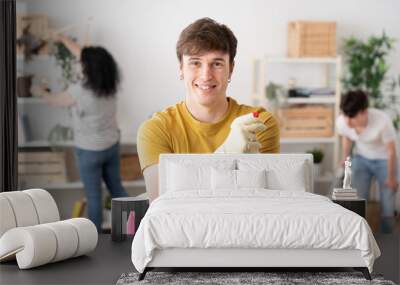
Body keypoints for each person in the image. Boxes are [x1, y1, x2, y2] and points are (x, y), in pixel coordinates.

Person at [137, 18, 280, 203]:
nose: (206, 75)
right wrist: (227, 154)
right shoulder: (156, 130)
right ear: (181, 69)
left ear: (231, 69)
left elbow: (262, 202)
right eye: (195, 63)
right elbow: (163, 205)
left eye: (217, 63)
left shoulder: (258, 122)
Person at [42, 35, 128, 231]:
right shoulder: (110, 84)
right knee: (117, 189)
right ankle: (133, 232)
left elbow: (54, 101)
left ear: (87, 67)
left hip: (89, 151)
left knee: (94, 197)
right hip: (111, 145)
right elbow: (87, 56)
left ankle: (95, 241)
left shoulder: (80, 90)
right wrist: (63, 39)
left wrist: (39, 91)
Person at [336, 90, 398, 233]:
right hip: (362, 158)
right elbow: (347, 137)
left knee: (388, 206)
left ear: (364, 112)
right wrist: (345, 157)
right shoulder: (343, 121)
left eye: (353, 117)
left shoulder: (382, 120)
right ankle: (359, 238)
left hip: (385, 160)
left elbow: (391, 151)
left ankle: (387, 240)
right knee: (357, 200)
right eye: (346, 116)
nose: (348, 121)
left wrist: (391, 177)